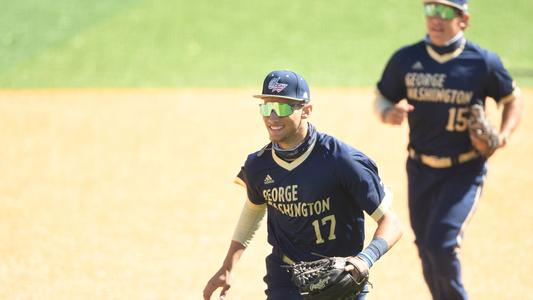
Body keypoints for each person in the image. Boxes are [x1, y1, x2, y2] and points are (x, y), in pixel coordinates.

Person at [203, 70, 403, 300]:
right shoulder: (258, 165)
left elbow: (392, 224)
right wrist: (229, 265)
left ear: (307, 110)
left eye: (284, 107)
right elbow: (254, 207)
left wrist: (364, 260)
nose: (273, 116)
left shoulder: (342, 160)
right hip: (286, 278)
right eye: (267, 107)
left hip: (342, 279)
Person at [374, 1, 524, 299]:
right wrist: (387, 113)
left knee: (441, 243)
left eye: (444, 12)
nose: (436, 19)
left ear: (463, 19)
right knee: (426, 247)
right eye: (430, 11)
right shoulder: (407, 59)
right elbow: (382, 98)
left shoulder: (481, 61)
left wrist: (504, 135)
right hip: (419, 169)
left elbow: (512, 98)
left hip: (464, 170)